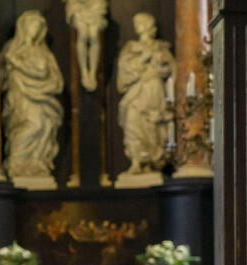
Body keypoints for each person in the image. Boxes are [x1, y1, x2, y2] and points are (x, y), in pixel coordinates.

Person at [0, 10, 64, 184]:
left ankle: (36, 164)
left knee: (43, 126)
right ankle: (18, 163)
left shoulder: (44, 53)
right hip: (20, 97)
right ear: (24, 27)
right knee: (29, 126)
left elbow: (56, 80)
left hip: (43, 98)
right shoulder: (11, 49)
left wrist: (19, 65)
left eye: (38, 26)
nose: (35, 29)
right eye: (32, 25)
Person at [116, 12, 175, 175]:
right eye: (137, 23)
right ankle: (136, 161)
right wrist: (143, 58)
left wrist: (160, 70)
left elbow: (173, 70)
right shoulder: (130, 48)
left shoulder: (161, 47)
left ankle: (150, 163)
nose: (138, 25)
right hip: (136, 92)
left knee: (152, 125)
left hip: (153, 90)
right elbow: (124, 71)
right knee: (132, 122)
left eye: (141, 22)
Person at [65, 0, 108, 91]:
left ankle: (92, 73)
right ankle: (84, 72)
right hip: (78, 4)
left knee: (94, 35)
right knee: (83, 34)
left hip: (95, 4)